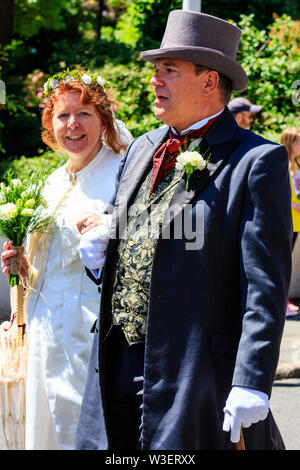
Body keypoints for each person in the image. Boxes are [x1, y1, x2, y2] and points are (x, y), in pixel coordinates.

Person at [75, 11, 292, 450]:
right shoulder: (141, 147)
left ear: (210, 82)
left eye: (168, 71)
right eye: (155, 71)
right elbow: (130, 232)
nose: (154, 81)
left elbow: (264, 287)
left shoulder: (257, 162)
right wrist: (102, 255)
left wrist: (252, 380)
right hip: (114, 365)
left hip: (194, 376)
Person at [0, 69, 132, 450]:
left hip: (92, 331)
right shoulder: (53, 182)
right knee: (46, 429)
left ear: (104, 118)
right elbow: (43, 266)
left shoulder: (121, 174)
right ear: (50, 123)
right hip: (45, 333)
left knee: (90, 428)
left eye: (84, 114)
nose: (72, 125)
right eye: (62, 115)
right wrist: (20, 266)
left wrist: (111, 226)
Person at [281, 127, 300, 317]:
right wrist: (295, 206)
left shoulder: (296, 165)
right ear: (290, 143)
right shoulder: (283, 165)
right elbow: (284, 195)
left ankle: (285, 300)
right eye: (298, 141)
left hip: (298, 222)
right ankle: (283, 302)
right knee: (284, 263)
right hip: (289, 219)